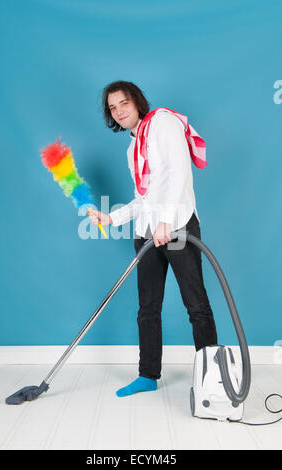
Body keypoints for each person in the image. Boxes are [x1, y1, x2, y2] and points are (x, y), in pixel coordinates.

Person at [87, 81, 218, 397]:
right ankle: (148, 375)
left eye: (124, 103)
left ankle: (212, 376)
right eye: (113, 108)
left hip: (176, 229)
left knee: (196, 304)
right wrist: (112, 218)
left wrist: (165, 222)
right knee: (147, 307)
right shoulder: (133, 146)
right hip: (147, 233)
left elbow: (179, 172)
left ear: (137, 101)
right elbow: (142, 198)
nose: (119, 111)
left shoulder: (163, 122)